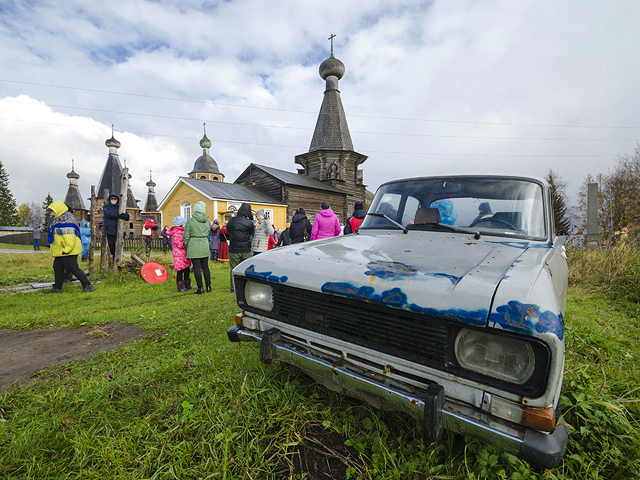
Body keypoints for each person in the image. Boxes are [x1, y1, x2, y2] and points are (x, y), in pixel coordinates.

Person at [43, 201, 95, 294]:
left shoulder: (67, 221)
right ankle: (57, 288)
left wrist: (66, 250)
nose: (52, 213)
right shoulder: (58, 220)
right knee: (57, 267)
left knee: (73, 268)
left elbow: (70, 238)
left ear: (59, 210)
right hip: (61, 251)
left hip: (67, 251)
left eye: (53, 211)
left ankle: (88, 285)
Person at [183, 201, 212, 294]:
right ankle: (208, 286)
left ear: (195, 210)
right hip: (204, 243)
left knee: (196, 267)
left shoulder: (190, 221)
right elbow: (208, 233)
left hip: (194, 244)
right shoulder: (207, 221)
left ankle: (200, 288)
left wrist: (187, 245)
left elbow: (186, 235)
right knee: (205, 267)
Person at [227, 203, 255, 292]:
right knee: (246, 268)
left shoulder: (232, 220)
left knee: (233, 268)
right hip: (246, 248)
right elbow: (251, 233)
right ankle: (245, 287)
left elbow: (228, 230)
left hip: (234, 248)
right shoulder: (249, 222)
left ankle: (233, 288)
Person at [167, 216, 191, 292]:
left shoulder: (179, 232)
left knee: (187, 269)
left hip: (183, 254)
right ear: (181, 224)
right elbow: (180, 244)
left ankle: (187, 286)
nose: (185, 224)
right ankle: (180, 287)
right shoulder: (177, 233)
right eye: (184, 223)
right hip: (180, 255)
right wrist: (187, 244)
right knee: (180, 271)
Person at [103, 193, 129, 260]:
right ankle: (114, 258)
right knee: (111, 245)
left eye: (115, 199)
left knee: (119, 244)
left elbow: (126, 215)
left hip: (118, 229)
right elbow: (109, 214)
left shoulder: (120, 207)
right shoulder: (106, 207)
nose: (113, 200)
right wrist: (118, 215)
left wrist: (125, 216)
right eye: (112, 199)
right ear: (110, 200)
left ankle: (119, 257)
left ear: (117, 200)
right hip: (110, 229)